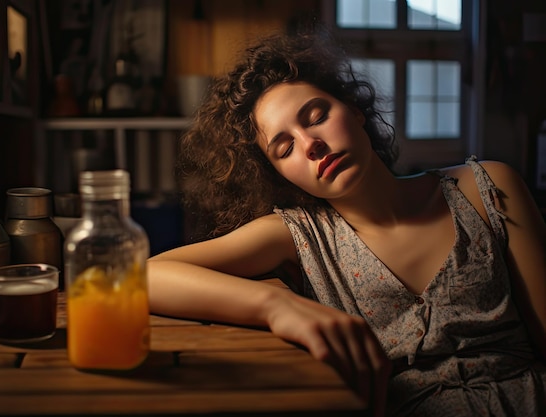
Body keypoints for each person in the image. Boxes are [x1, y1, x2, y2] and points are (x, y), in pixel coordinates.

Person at [147, 27, 546, 417]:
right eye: (285, 148)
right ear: (279, 174)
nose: (311, 145)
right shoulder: (299, 235)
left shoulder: (487, 186)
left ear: (354, 111)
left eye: (316, 116)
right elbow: (146, 276)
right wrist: (276, 306)